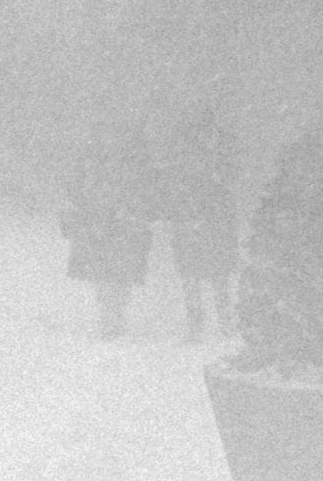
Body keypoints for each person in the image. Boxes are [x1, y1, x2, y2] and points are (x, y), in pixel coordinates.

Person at [62, 120, 159, 339]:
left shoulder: (133, 162)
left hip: (121, 224)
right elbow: (76, 187)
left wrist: (132, 210)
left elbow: (147, 190)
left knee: (117, 272)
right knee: (105, 272)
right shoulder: (94, 160)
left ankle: (114, 316)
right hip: (102, 223)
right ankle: (109, 317)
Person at [158, 104, 241, 342]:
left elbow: (230, 176)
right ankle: (205, 325)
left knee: (213, 274)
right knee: (195, 275)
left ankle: (221, 323)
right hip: (196, 219)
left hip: (210, 220)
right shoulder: (192, 149)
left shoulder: (216, 148)